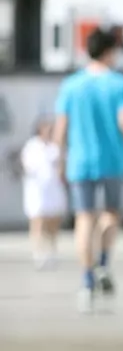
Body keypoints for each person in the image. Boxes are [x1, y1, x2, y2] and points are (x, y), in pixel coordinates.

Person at [52, 27, 123, 312]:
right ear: (110, 51)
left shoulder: (71, 85)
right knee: (111, 214)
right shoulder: (119, 84)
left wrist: (59, 157)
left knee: (83, 219)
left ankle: (87, 279)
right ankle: (102, 262)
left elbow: (61, 127)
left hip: (80, 160)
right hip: (112, 159)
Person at [22, 115, 67, 270]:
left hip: (54, 189)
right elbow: (29, 167)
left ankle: (52, 251)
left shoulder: (55, 146)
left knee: (53, 222)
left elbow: (62, 165)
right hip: (37, 191)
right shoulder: (32, 146)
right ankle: (38, 252)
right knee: (38, 221)